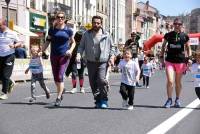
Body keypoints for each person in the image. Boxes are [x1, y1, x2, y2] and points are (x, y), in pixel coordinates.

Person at [76, 15, 116, 108]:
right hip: (91, 61)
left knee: (101, 80)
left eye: (98, 23)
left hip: (103, 61)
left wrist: (112, 57)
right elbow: (81, 46)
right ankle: (97, 100)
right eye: (94, 22)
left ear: (101, 24)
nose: (96, 24)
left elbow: (112, 47)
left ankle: (104, 100)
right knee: (92, 82)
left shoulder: (107, 34)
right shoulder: (86, 34)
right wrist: (78, 54)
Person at [42, 11, 75, 106]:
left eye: (62, 17)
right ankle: (62, 89)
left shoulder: (68, 30)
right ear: (56, 18)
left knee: (60, 76)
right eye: (58, 17)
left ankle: (59, 97)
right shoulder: (52, 29)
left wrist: (70, 50)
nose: (60, 19)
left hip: (64, 56)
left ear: (64, 19)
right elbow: (47, 41)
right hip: (54, 56)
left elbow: (73, 42)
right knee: (56, 78)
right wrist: (42, 51)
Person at [160, 18, 192, 108]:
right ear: (173, 25)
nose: (177, 25)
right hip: (169, 60)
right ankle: (169, 99)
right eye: (175, 24)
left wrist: (189, 58)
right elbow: (163, 46)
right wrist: (161, 58)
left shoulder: (185, 36)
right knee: (170, 81)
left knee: (178, 82)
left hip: (181, 62)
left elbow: (188, 48)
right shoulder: (168, 35)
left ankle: (177, 99)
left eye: (179, 24)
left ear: (181, 25)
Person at [0, 18, 22, 100]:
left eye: (0, 25)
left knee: (5, 75)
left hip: (9, 55)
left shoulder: (12, 33)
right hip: (0, 56)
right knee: (1, 76)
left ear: (4, 25)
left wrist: (14, 46)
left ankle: (4, 93)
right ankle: (10, 82)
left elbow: (20, 43)